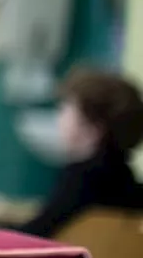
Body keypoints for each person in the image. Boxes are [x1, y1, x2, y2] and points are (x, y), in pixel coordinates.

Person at [20, 68, 143, 238]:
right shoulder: (131, 185)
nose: (59, 118)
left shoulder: (79, 179)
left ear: (92, 128)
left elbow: (35, 234)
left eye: (65, 109)